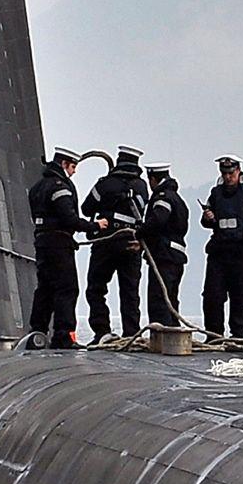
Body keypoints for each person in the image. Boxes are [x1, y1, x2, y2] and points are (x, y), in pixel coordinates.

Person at [82, 145, 150, 341]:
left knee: (96, 288)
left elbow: (87, 209)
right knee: (130, 291)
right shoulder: (141, 186)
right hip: (130, 243)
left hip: (106, 242)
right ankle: (131, 332)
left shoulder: (104, 184)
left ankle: (101, 331)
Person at [199, 154, 243, 339]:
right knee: (212, 295)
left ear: (238, 171)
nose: (227, 176)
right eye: (224, 173)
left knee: (240, 296)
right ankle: (214, 335)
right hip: (219, 252)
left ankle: (239, 334)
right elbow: (206, 222)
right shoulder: (215, 194)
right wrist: (208, 218)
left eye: (231, 172)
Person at [27, 146, 91, 346]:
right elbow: (68, 218)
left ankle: (37, 332)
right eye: (72, 168)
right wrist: (93, 225)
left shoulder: (38, 187)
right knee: (67, 288)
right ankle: (63, 335)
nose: (73, 172)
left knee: (45, 289)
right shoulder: (60, 187)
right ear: (64, 164)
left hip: (42, 242)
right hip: (59, 244)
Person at [140, 163, 190, 328]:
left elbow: (158, 220)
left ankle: (162, 338)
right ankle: (173, 334)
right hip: (176, 256)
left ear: (153, 179)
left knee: (159, 299)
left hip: (164, 256)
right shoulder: (178, 199)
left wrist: (139, 233)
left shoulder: (163, 197)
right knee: (171, 300)